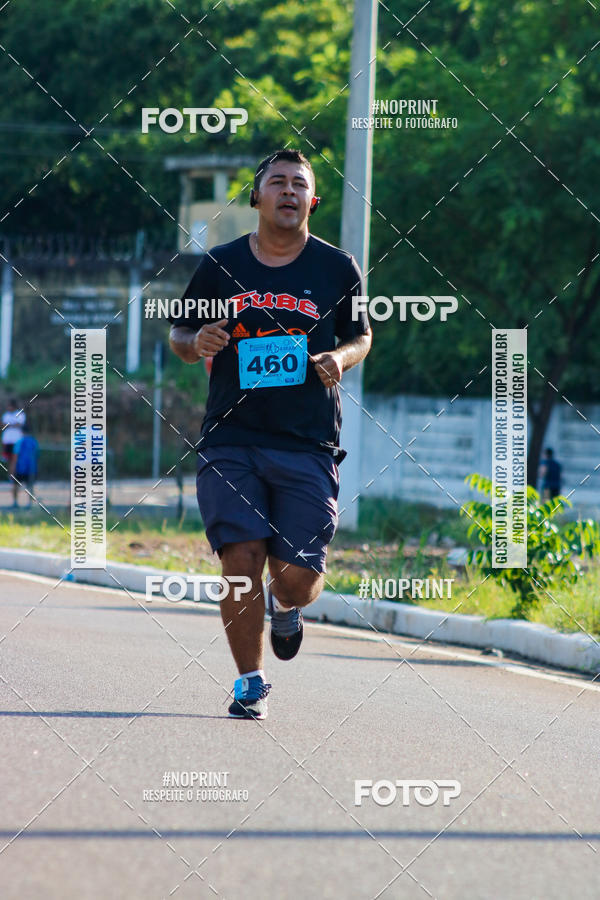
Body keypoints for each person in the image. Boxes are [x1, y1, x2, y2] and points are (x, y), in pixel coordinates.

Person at [169, 149, 372, 719]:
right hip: (231, 438)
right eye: (275, 182)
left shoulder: (337, 269)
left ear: (313, 200)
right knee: (240, 554)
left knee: (298, 577)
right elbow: (181, 335)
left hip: (307, 440)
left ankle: (287, 606)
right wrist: (197, 343)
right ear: (256, 198)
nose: (287, 191)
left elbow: (362, 335)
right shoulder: (221, 264)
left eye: (298, 184)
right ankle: (249, 681)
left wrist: (341, 356)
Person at [11, 424, 39, 507]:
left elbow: (15, 456)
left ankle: (15, 502)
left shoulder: (19, 441)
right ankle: (29, 504)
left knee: (15, 485)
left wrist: (12, 468)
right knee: (30, 486)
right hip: (31, 468)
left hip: (20, 467)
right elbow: (37, 455)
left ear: (22, 431)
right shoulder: (34, 442)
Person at [2, 399, 25, 470]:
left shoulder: (20, 414)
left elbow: (20, 424)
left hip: (17, 440)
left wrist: (8, 424)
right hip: (7, 440)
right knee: (8, 459)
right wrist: (13, 424)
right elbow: (3, 425)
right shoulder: (6, 415)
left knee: (14, 459)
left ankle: (13, 476)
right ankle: (10, 476)